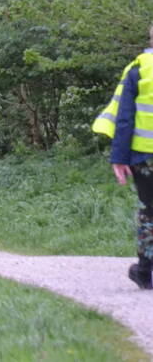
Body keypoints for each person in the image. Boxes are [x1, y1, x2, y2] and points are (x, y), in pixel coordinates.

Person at [93, 25, 153, 290]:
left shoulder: (138, 69)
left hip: (143, 157)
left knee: (149, 211)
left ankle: (144, 270)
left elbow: (125, 118)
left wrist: (119, 158)